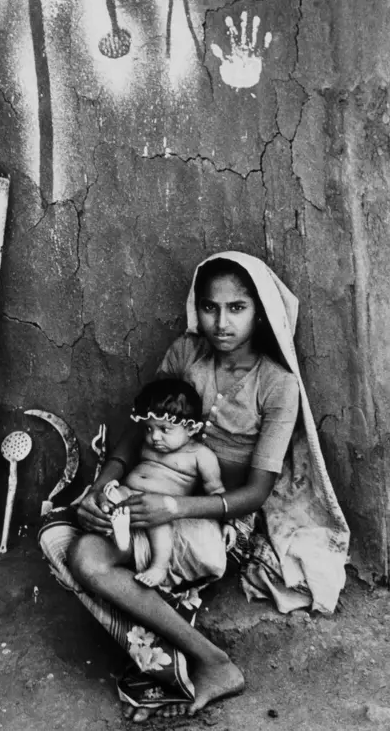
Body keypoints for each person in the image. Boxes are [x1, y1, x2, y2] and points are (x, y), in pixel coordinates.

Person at [38, 252, 350, 722]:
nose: (221, 322)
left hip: (216, 512)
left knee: (94, 558)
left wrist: (174, 507)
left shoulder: (276, 384)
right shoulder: (186, 353)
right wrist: (102, 487)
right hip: (149, 497)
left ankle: (211, 663)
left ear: (261, 311)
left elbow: (256, 493)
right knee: (71, 548)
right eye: (210, 307)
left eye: (237, 308)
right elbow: (139, 429)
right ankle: (167, 662)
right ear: (197, 307)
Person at [101, 378, 228, 589]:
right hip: (129, 493)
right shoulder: (148, 446)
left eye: (164, 429)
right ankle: (117, 528)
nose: (154, 437)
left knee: (160, 525)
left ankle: (158, 566)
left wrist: (227, 523)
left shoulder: (201, 456)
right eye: (149, 429)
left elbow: (216, 492)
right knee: (111, 496)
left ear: (190, 429)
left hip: (160, 507)